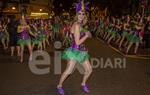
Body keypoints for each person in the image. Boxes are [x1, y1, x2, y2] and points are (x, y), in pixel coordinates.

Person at [57, 0, 92, 95]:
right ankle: (59, 86)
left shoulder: (80, 24)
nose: (81, 15)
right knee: (69, 70)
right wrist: (86, 35)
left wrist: (85, 34)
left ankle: (83, 84)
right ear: (77, 14)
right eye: (80, 13)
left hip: (81, 50)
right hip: (75, 51)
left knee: (89, 70)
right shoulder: (77, 25)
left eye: (83, 13)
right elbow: (77, 42)